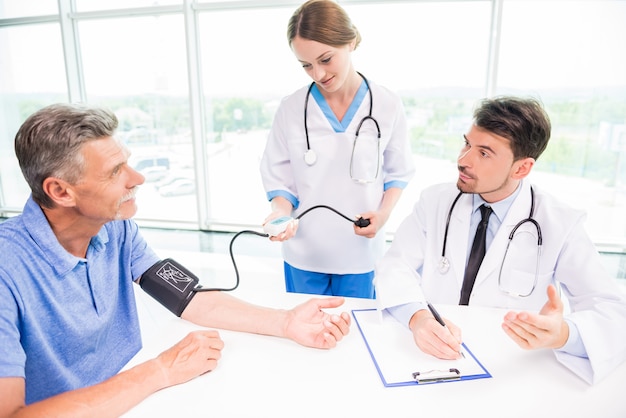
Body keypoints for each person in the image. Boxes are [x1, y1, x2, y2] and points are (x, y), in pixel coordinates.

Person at [0, 103, 352, 417]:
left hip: (138, 402)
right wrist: (160, 370)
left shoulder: (117, 230)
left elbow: (188, 297)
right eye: (114, 172)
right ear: (60, 191)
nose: (138, 179)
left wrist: (284, 322)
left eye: (128, 163)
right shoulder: (7, 270)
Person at [374, 95, 626, 385]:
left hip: (510, 372)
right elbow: (395, 267)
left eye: (484, 153)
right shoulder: (435, 201)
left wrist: (564, 334)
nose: (463, 160)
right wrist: (418, 318)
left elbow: (613, 312)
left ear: (521, 168)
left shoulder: (560, 223)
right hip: (429, 362)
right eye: (467, 143)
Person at [259, 0, 415, 299]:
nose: (318, 73)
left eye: (326, 59)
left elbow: (398, 172)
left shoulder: (386, 103)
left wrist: (383, 215)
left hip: (360, 251)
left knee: (356, 333)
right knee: (306, 333)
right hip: (304, 252)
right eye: (306, 65)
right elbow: (279, 177)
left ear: (351, 42)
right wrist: (279, 214)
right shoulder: (291, 108)